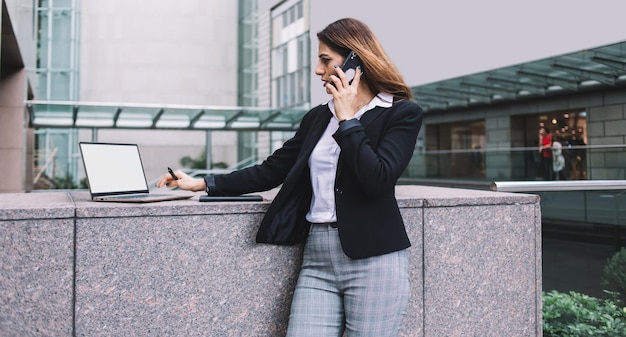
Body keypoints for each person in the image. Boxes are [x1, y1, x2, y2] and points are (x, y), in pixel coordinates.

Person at [157, 17, 423, 337]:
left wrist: (348, 118)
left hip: (375, 260)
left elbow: (377, 178)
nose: (317, 70)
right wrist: (203, 182)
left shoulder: (401, 113)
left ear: (356, 60)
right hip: (318, 258)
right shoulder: (317, 117)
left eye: (326, 60)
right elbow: (273, 169)